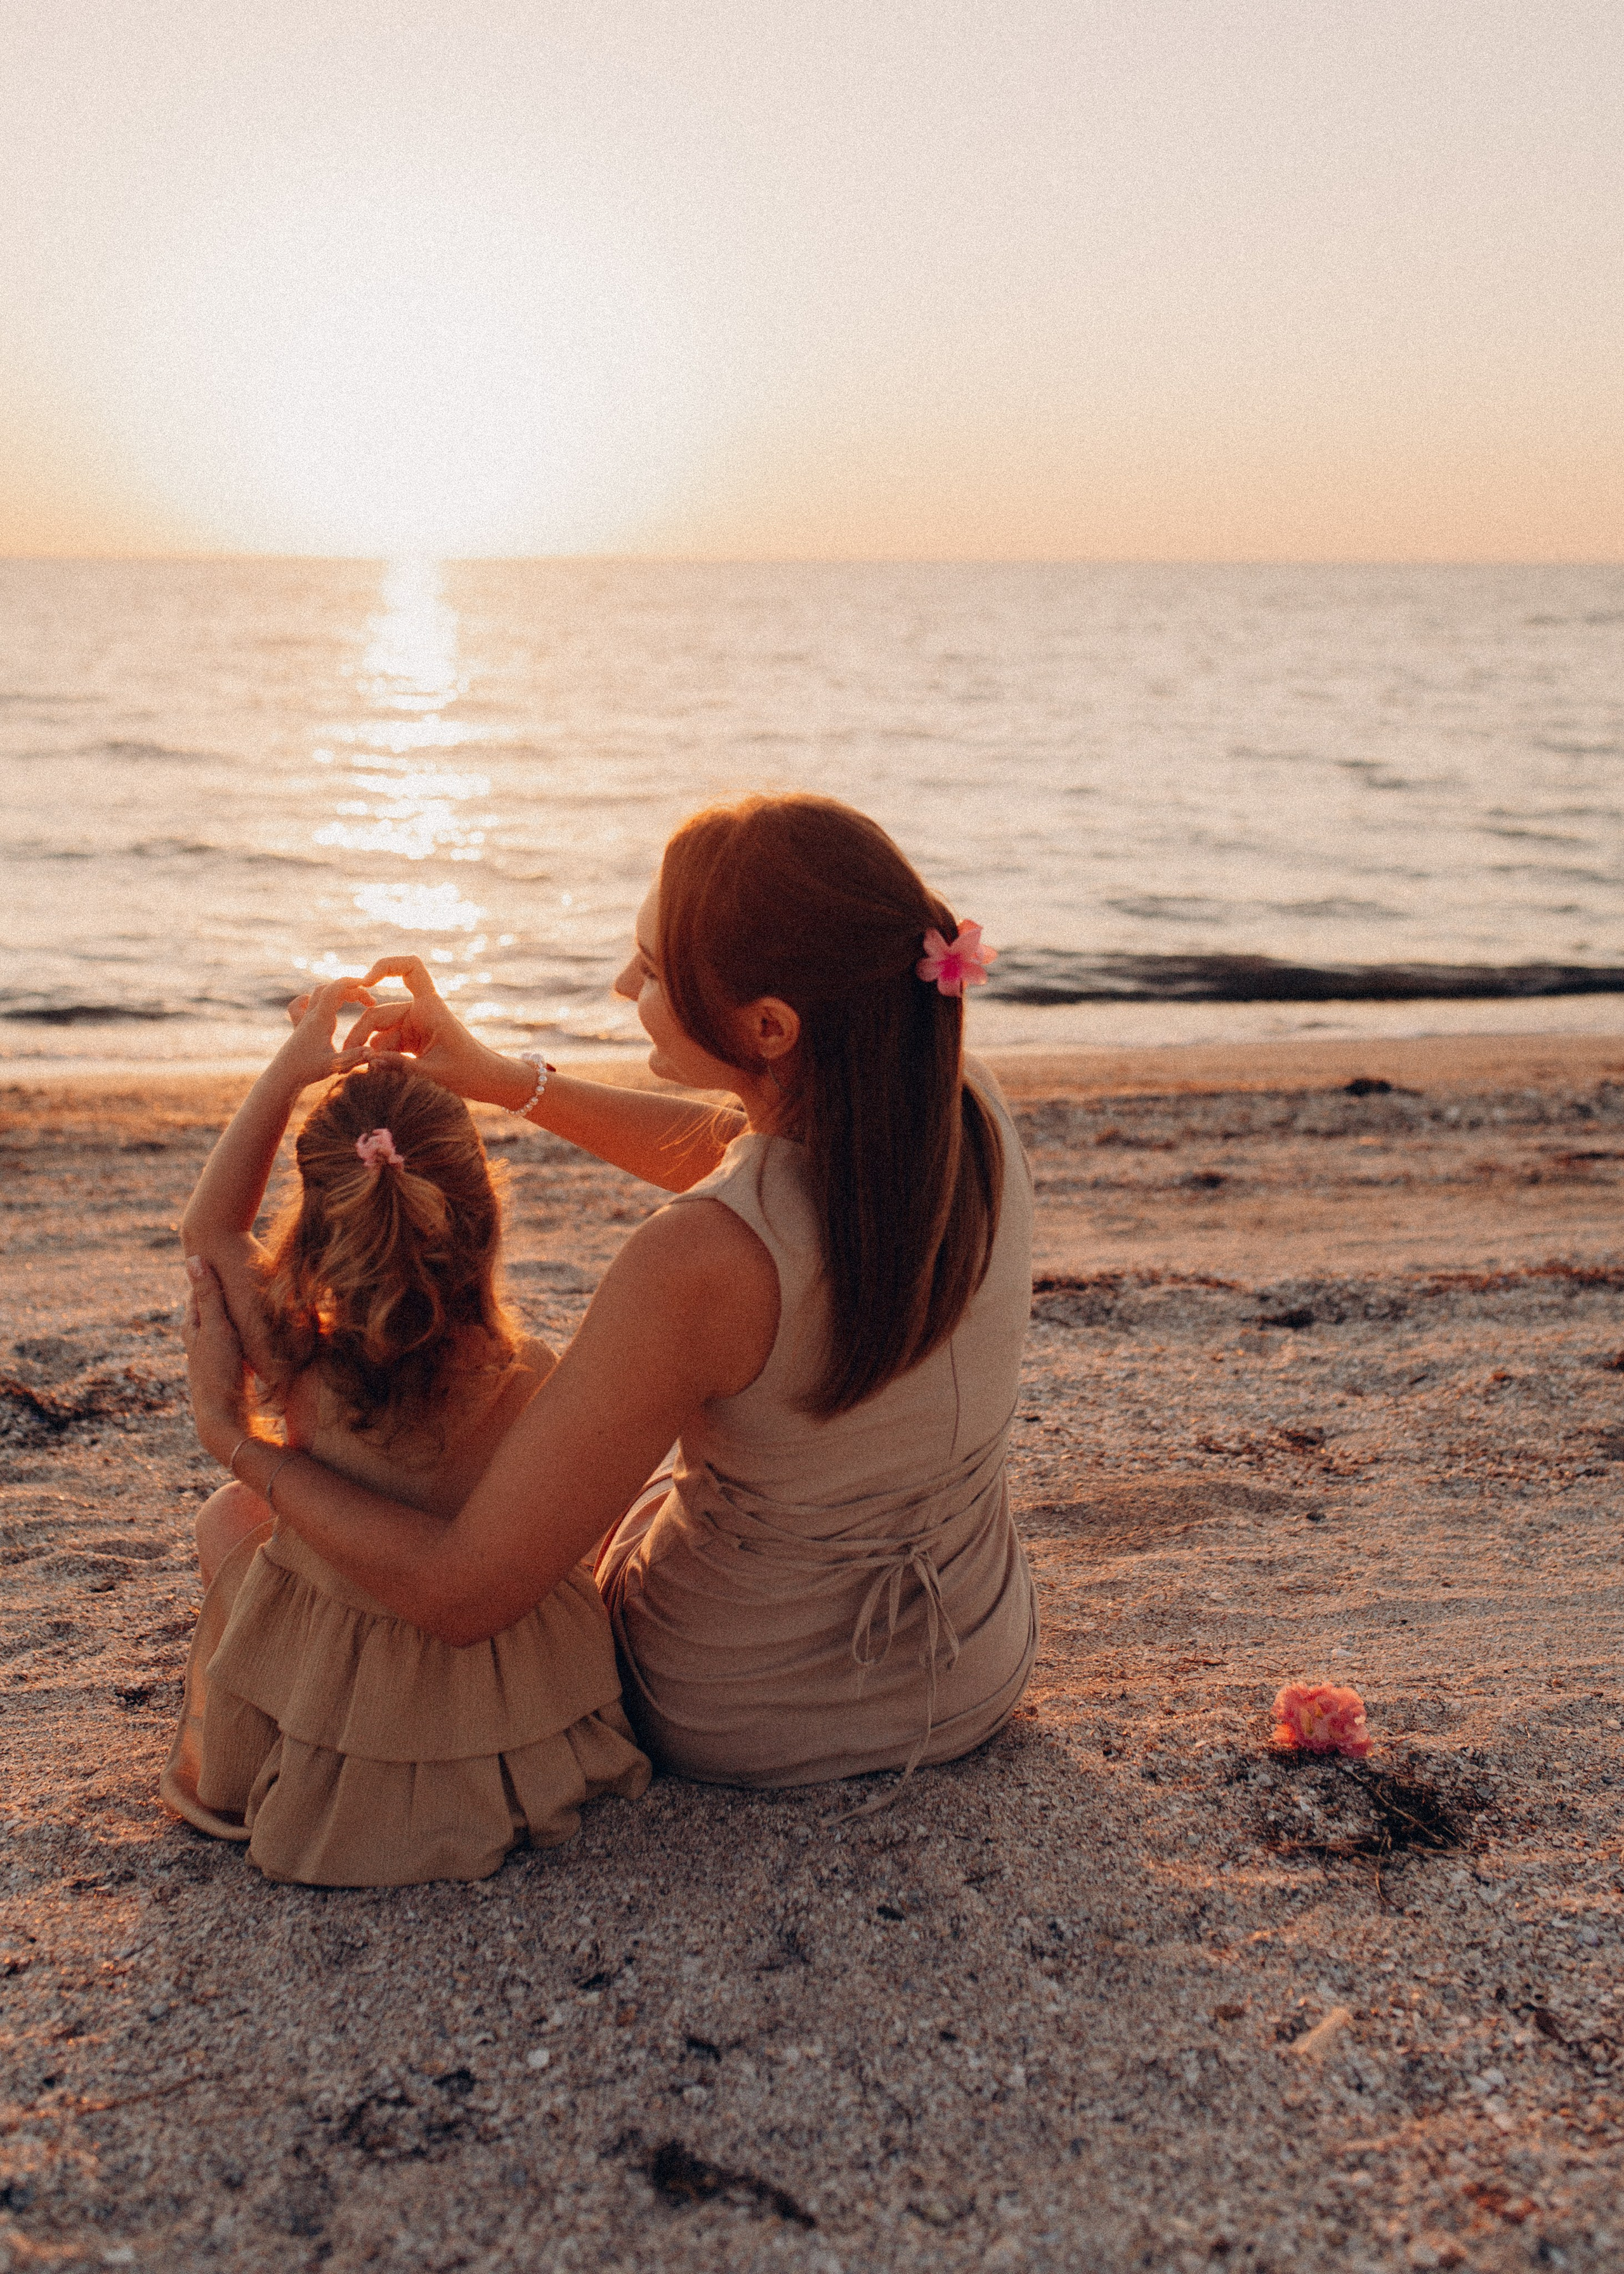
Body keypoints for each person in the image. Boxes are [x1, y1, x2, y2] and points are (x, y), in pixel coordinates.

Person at [181, 794, 1037, 1811]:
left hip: (746, 1707)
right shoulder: (956, 1110)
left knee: (253, 1521)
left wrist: (238, 1444)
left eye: (653, 970)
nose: (625, 984)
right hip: (973, 1660)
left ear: (769, 1026)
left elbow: (465, 1594)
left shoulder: (696, 1259)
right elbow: (752, 1159)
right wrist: (505, 1080)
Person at [162, 979, 650, 1885]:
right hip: (513, 1735)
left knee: (228, 1516)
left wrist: (290, 1073)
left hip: (350, 1718)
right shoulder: (529, 1376)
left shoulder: (301, 1363)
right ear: (483, 1219)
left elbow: (211, 1229)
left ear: (319, 1232)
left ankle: (280, 1708)